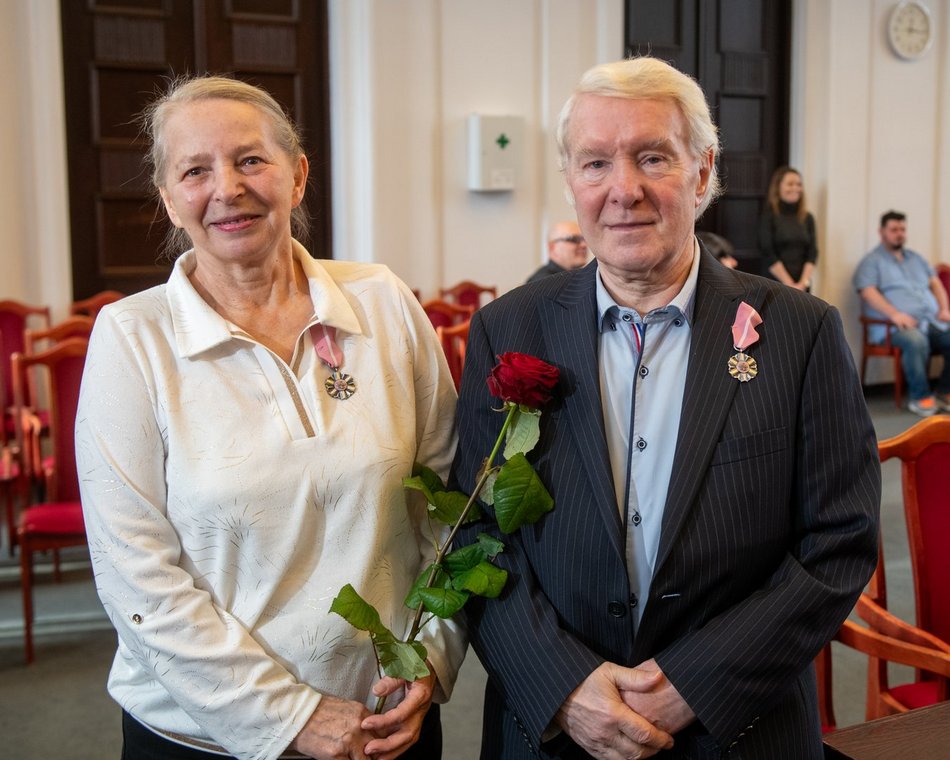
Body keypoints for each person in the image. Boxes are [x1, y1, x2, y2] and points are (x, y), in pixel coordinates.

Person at [451, 57, 880, 759]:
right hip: (559, 735)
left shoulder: (801, 332)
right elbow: (475, 538)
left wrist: (694, 683)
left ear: (703, 171)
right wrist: (565, 686)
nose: (624, 190)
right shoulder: (509, 331)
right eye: (595, 164)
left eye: (653, 157)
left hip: (737, 729)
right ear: (570, 180)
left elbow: (840, 541)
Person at [75, 75, 465, 760]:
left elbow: (451, 506)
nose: (227, 188)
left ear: (298, 174)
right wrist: (291, 718)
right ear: (170, 199)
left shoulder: (381, 301)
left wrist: (429, 656)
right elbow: (136, 574)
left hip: (386, 722)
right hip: (200, 738)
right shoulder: (132, 337)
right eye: (195, 170)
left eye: (251, 159)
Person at [853, 210, 950, 417]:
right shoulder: (872, 261)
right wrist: (895, 315)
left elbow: (936, 284)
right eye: (894, 230)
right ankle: (920, 397)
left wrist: (944, 309)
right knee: (915, 340)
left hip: (930, 321)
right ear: (882, 232)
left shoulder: (916, 259)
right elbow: (868, 292)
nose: (899, 234)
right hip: (893, 327)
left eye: (902, 229)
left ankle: (944, 390)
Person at [758, 166, 818, 290]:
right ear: (778, 187)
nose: (795, 188)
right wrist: (789, 284)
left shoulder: (808, 218)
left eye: (799, 184)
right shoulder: (768, 217)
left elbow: (812, 253)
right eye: (790, 184)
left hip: (802, 286)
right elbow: (768, 252)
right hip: (775, 284)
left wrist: (803, 283)